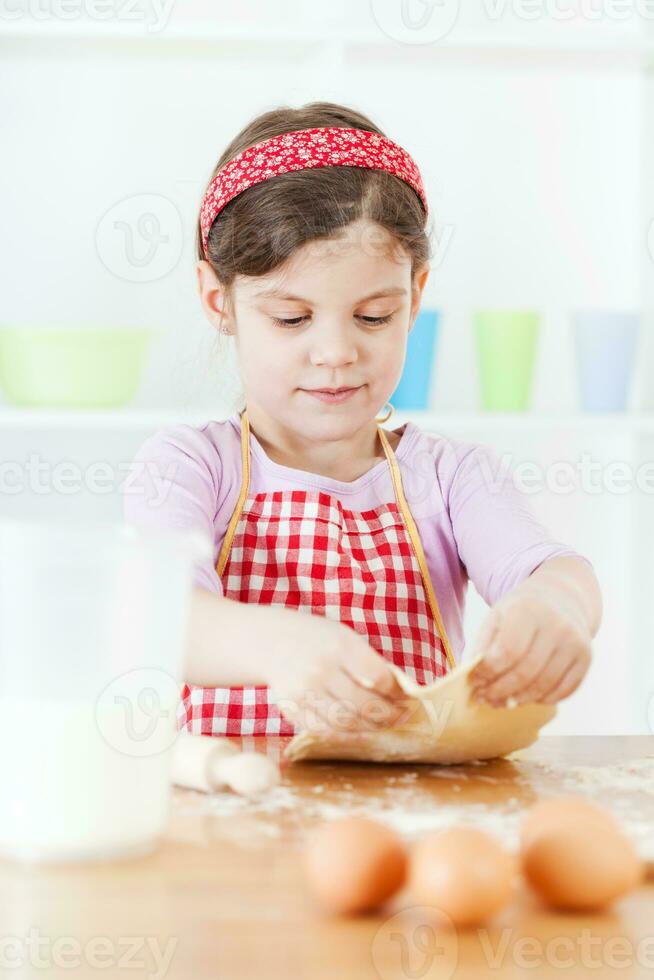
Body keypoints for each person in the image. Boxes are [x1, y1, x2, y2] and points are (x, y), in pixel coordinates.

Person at [124, 101, 602, 740]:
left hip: (403, 819)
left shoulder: (451, 477)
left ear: (416, 296)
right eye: (292, 319)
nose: (336, 352)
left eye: (373, 315)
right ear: (221, 301)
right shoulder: (190, 468)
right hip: (230, 818)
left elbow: (551, 568)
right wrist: (281, 648)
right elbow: (160, 615)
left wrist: (556, 607)